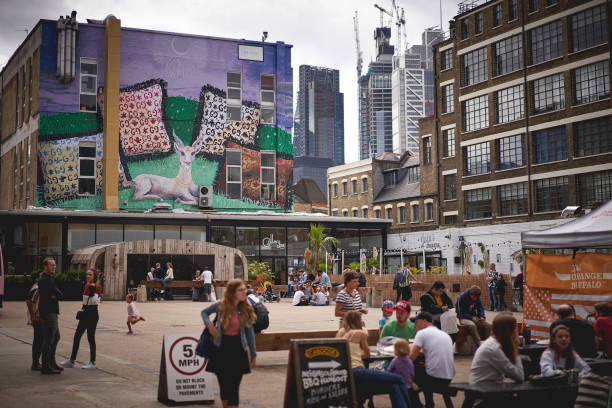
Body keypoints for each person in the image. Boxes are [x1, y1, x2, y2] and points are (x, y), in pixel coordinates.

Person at [337, 311, 411, 408]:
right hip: (357, 371)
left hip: (345, 374)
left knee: (394, 386)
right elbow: (367, 354)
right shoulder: (360, 333)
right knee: (399, 379)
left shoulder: (340, 333)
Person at [201, 279, 257, 408]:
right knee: (225, 384)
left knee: (235, 385)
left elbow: (250, 333)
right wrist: (210, 325)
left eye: (245, 289)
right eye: (241, 290)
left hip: (238, 348)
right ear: (232, 292)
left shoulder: (245, 307)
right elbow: (204, 313)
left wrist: (253, 354)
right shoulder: (221, 305)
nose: (244, 292)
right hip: (222, 348)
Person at [409, 312, 455, 408]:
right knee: (424, 368)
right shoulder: (444, 334)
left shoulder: (422, 333)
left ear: (424, 321)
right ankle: (430, 403)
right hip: (449, 377)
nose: (415, 325)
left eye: (416, 322)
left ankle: (417, 405)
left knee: (407, 374)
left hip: (434, 378)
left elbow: (411, 357)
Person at [61, 268, 102, 369]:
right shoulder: (87, 285)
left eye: (90, 275)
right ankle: (72, 360)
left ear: (94, 276)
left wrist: (93, 292)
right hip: (86, 312)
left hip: (92, 313)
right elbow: (85, 301)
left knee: (90, 337)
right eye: (87, 274)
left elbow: (96, 301)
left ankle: (92, 362)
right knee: (77, 335)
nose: (88, 276)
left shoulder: (96, 286)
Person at [469, 312, 524, 384]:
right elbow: (519, 376)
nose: (518, 331)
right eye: (516, 329)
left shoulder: (494, 343)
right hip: (483, 391)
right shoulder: (493, 349)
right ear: (510, 331)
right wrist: (515, 346)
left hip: (490, 388)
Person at [38, 257, 63, 375]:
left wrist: (55, 295)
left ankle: (51, 362)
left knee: (56, 337)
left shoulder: (48, 278)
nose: (54, 267)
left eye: (55, 265)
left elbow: (58, 294)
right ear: (45, 266)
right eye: (52, 265)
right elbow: (56, 294)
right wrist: (54, 295)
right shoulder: (45, 280)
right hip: (49, 312)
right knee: (48, 340)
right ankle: (46, 366)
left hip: (51, 312)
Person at [387, 338, 415, 404]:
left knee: (397, 402)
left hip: (398, 385)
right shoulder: (410, 361)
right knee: (408, 402)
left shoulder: (395, 360)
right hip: (408, 385)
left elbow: (388, 371)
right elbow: (412, 373)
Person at [25, 272, 43, 371]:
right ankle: (35, 363)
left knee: (39, 339)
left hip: (37, 316)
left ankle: (36, 363)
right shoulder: (37, 288)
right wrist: (32, 316)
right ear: (37, 279)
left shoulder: (37, 287)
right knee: (38, 340)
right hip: (37, 316)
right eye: (41, 276)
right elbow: (28, 301)